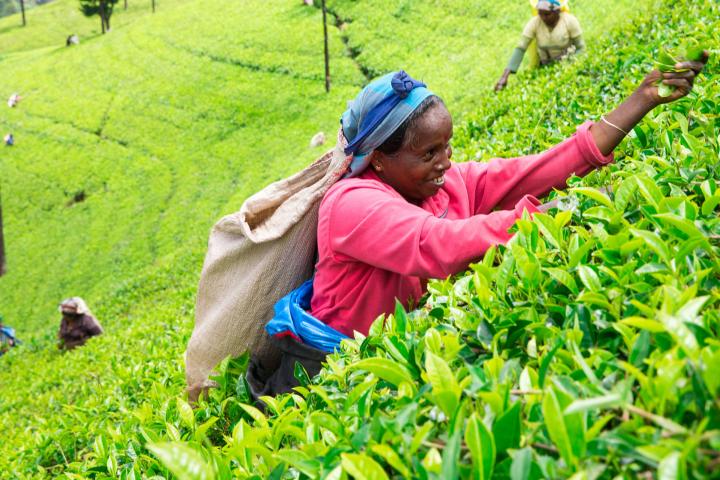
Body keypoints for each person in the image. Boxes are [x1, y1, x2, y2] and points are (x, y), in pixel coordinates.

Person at [251, 53, 708, 397]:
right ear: (380, 159)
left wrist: (642, 99)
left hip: (392, 360)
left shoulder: (444, 186)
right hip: (323, 373)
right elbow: (437, 244)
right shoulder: (352, 203)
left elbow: (541, 169)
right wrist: (557, 216)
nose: (444, 163)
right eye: (428, 153)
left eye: (446, 147)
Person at [495, 0, 584, 91]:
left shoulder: (569, 21)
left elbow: (581, 47)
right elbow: (521, 47)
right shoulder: (535, 22)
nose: (543, 18)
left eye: (547, 14)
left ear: (557, 12)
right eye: (540, 14)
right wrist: (505, 76)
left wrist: (573, 66)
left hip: (568, 64)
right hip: (545, 66)